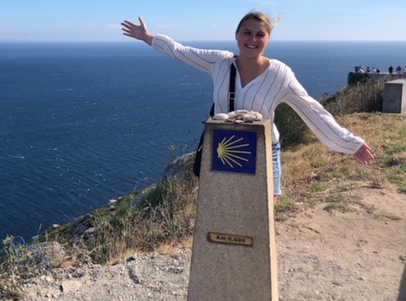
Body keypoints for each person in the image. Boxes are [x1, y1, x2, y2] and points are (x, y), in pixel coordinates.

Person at [121, 11, 375, 197]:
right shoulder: (220, 62)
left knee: (263, 215)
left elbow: (312, 111)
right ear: (237, 36)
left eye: (260, 34)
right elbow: (180, 51)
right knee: (225, 210)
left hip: (264, 151)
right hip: (224, 150)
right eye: (247, 33)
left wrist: (350, 143)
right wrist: (147, 37)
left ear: (268, 39)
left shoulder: (280, 74)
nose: (252, 39)